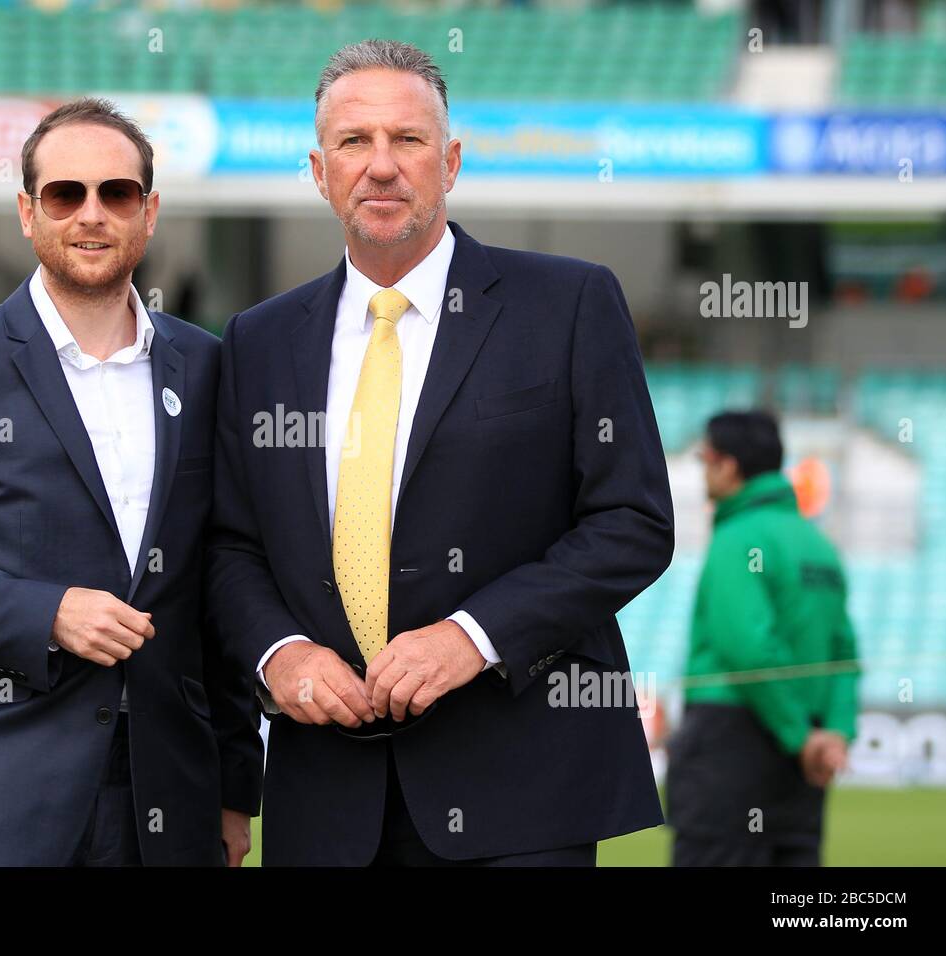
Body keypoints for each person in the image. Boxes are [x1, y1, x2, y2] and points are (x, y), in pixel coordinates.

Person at [208, 40, 674, 866]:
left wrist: (472, 636)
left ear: (450, 160)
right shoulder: (259, 340)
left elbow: (632, 521)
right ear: (319, 171)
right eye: (354, 142)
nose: (380, 167)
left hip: (522, 792)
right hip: (326, 799)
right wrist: (280, 654)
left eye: (408, 140)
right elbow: (231, 546)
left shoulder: (568, 304)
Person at [0, 97, 262, 867]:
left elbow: (218, 589)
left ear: (150, 211)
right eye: (66, 194)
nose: (91, 214)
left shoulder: (207, 368)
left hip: (167, 815)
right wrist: (47, 613)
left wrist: (235, 788)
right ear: (28, 214)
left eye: (117, 193)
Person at [668, 410, 859, 866]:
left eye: (705, 459)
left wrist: (798, 736)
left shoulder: (737, 537)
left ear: (727, 465)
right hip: (800, 763)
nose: (702, 472)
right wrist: (832, 734)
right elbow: (845, 655)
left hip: (729, 747)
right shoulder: (819, 546)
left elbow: (748, 647)